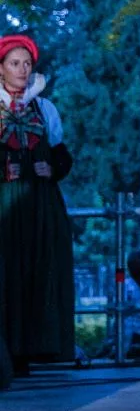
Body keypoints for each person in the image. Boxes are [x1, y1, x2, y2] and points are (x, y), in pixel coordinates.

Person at [0, 35, 75, 377]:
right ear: (1, 69)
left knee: (36, 272)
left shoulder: (43, 108)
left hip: (40, 206)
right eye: (15, 63)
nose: (22, 70)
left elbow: (62, 154)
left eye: (27, 63)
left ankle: (30, 351)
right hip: (5, 206)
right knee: (6, 274)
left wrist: (54, 169)